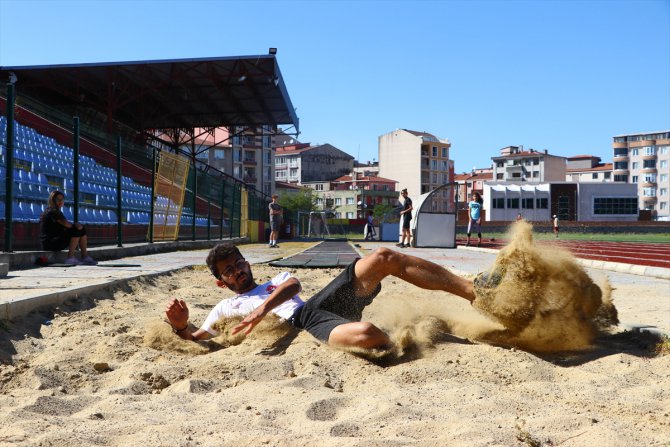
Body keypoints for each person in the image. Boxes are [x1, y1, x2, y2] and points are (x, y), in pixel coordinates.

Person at [164, 242, 478, 350]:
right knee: (367, 334)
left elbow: (294, 287)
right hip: (306, 329)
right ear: (221, 283)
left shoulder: (278, 280)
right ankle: (408, 341)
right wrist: (181, 326)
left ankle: (472, 292)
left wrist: (261, 310)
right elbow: (199, 338)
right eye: (229, 271)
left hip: (315, 308)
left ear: (247, 263)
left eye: (239, 264)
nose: (238, 271)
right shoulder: (224, 306)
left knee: (382, 256)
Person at [40, 190, 97, 265]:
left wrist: (77, 226)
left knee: (81, 229)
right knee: (76, 229)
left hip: (55, 240)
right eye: (58, 199)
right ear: (52, 200)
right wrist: (76, 225)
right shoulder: (52, 211)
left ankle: (85, 257)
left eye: (62, 199)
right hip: (50, 243)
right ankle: (70, 258)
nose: (60, 201)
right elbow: (66, 224)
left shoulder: (57, 211)